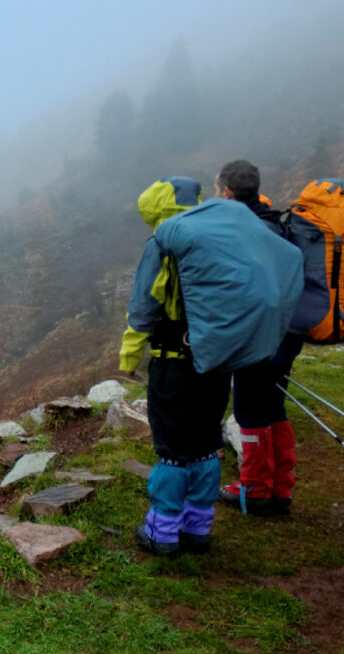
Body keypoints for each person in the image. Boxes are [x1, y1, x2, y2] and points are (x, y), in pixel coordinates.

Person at [120, 176, 230, 556]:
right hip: (217, 363)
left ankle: (162, 533)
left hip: (174, 364)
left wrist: (130, 356)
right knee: (205, 443)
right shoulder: (219, 235)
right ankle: (198, 528)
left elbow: (143, 306)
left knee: (171, 449)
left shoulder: (163, 241)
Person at [215, 160, 304, 516]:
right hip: (287, 334)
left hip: (257, 337)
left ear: (227, 192)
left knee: (249, 410)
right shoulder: (276, 223)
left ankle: (253, 488)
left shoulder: (240, 230)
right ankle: (281, 489)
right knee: (273, 407)